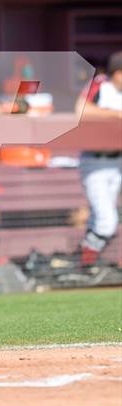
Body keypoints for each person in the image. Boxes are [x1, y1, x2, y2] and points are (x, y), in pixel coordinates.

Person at [75, 51, 122, 267]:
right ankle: (86, 262)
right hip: (95, 162)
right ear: (117, 73)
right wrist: (115, 114)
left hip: (117, 162)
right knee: (106, 222)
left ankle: (87, 267)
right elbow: (80, 111)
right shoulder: (102, 85)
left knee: (98, 219)